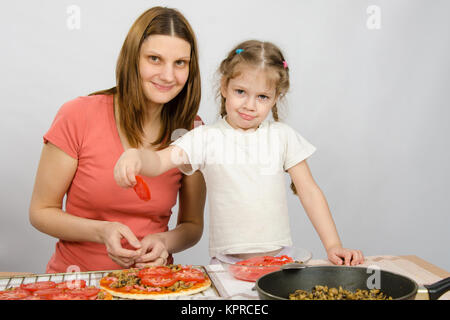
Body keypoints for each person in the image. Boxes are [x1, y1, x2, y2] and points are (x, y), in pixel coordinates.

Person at [114, 40, 364, 266]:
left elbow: (309, 191)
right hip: (226, 264)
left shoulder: (282, 136)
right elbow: (159, 161)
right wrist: (136, 156)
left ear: (277, 97)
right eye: (240, 92)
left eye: (262, 96)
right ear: (224, 86)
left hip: (279, 260)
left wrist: (333, 245)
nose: (249, 105)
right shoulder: (205, 138)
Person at [28, 7, 206, 273]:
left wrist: (165, 241)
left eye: (180, 63)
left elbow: (192, 225)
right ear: (132, 59)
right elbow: (41, 211)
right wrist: (102, 232)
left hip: (153, 282)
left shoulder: (192, 130)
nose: (168, 76)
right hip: (78, 282)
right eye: (155, 59)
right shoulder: (78, 115)